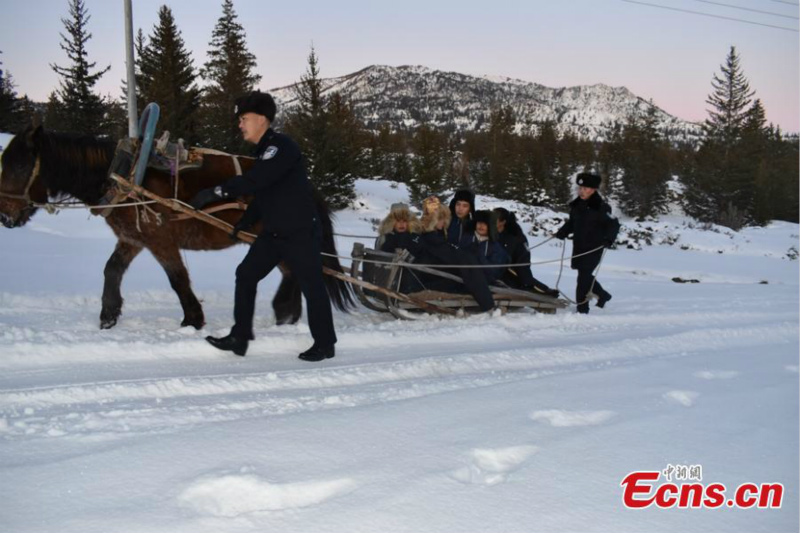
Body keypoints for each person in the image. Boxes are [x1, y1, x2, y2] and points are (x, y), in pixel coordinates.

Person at [189, 91, 336, 361]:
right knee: (246, 274)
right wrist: (246, 219)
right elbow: (266, 190)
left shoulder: (281, 147)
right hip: (274, 233)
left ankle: (325, 343)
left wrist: (216, 192)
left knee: (311, 286)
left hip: (300, 232)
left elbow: (258, 180)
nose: (240, 124)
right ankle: (240, 337)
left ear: (262, 119)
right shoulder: (265, 152)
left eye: (244, 119)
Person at [555, 172, 620, 314]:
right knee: (584, 274)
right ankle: (603, 294)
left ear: (594, 190)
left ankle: (582, 309)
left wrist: (609, 239)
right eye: (580, 188)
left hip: (594, 247)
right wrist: (562, 232)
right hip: (579, 246)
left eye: (586, 188)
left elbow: (614, 224)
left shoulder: (602, 207)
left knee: (583, 277)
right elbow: (573, 223)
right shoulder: (577, 206)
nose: (582, 191)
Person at [414, 202, 496, 312]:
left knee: (467, 264)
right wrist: (462, 254)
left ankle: (485, 293)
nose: (443, 222)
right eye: (440, 219)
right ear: (432, 220)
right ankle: (488, 304)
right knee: (467, 264)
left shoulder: (432, 235)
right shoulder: (430, 237)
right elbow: (448, 254)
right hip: (427, 280)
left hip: (430, 275)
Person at [492, 207, 559, 297]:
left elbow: (504, 256)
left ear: (502, 222)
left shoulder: (512, 235)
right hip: (507, 263)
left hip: (517, 264)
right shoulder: (496, 231)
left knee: (525, 281)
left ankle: (546, 291)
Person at [467, 210, 509, 283]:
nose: (481, 226)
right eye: (479, 222)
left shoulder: (496, 247)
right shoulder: (467, 238)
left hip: (483, 282)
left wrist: (479, 255)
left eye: (485, 224)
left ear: (491, 226)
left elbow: (494, 271)